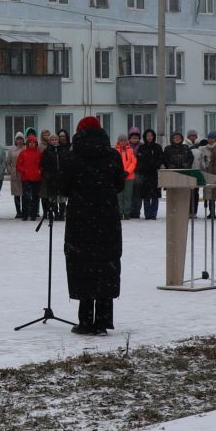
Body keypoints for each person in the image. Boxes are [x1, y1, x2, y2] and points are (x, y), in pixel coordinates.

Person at [63, 118, 124, 336]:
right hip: (107, 219)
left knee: (83, 265)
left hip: (81, 219)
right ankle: (104, 320)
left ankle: (86, 321)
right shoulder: (112, 155)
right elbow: (119, 184)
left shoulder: (72, 156)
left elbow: (62, 187)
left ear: (79, 132)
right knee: (106, 265)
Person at [133, 130, 163, 221]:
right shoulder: (142, 147)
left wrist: (155, 165)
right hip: (145, 173)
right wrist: (145, 166)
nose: (149, 137)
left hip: (155, 173)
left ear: (153, 137)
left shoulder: (157, 147)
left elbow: (161, 158)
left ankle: (153, 214)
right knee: (145, 195)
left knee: (155, 195)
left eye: (151, 135)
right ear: (145, 137)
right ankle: (147, 214)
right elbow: (139, 159)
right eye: (147, 136)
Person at [14, 130, 43, 220]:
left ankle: (33, 215)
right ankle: (25, 215)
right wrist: (24, 171)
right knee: (26, 197)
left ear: (36, 143)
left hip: (36, 178)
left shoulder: (39, 153)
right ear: (27, 143)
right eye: (30, 142)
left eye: (33, 142)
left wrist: (40, 171)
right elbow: (18, 165)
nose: (31, 144)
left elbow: (43, 165)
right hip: (26, 178)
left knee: (35, 197)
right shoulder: (23, 153)